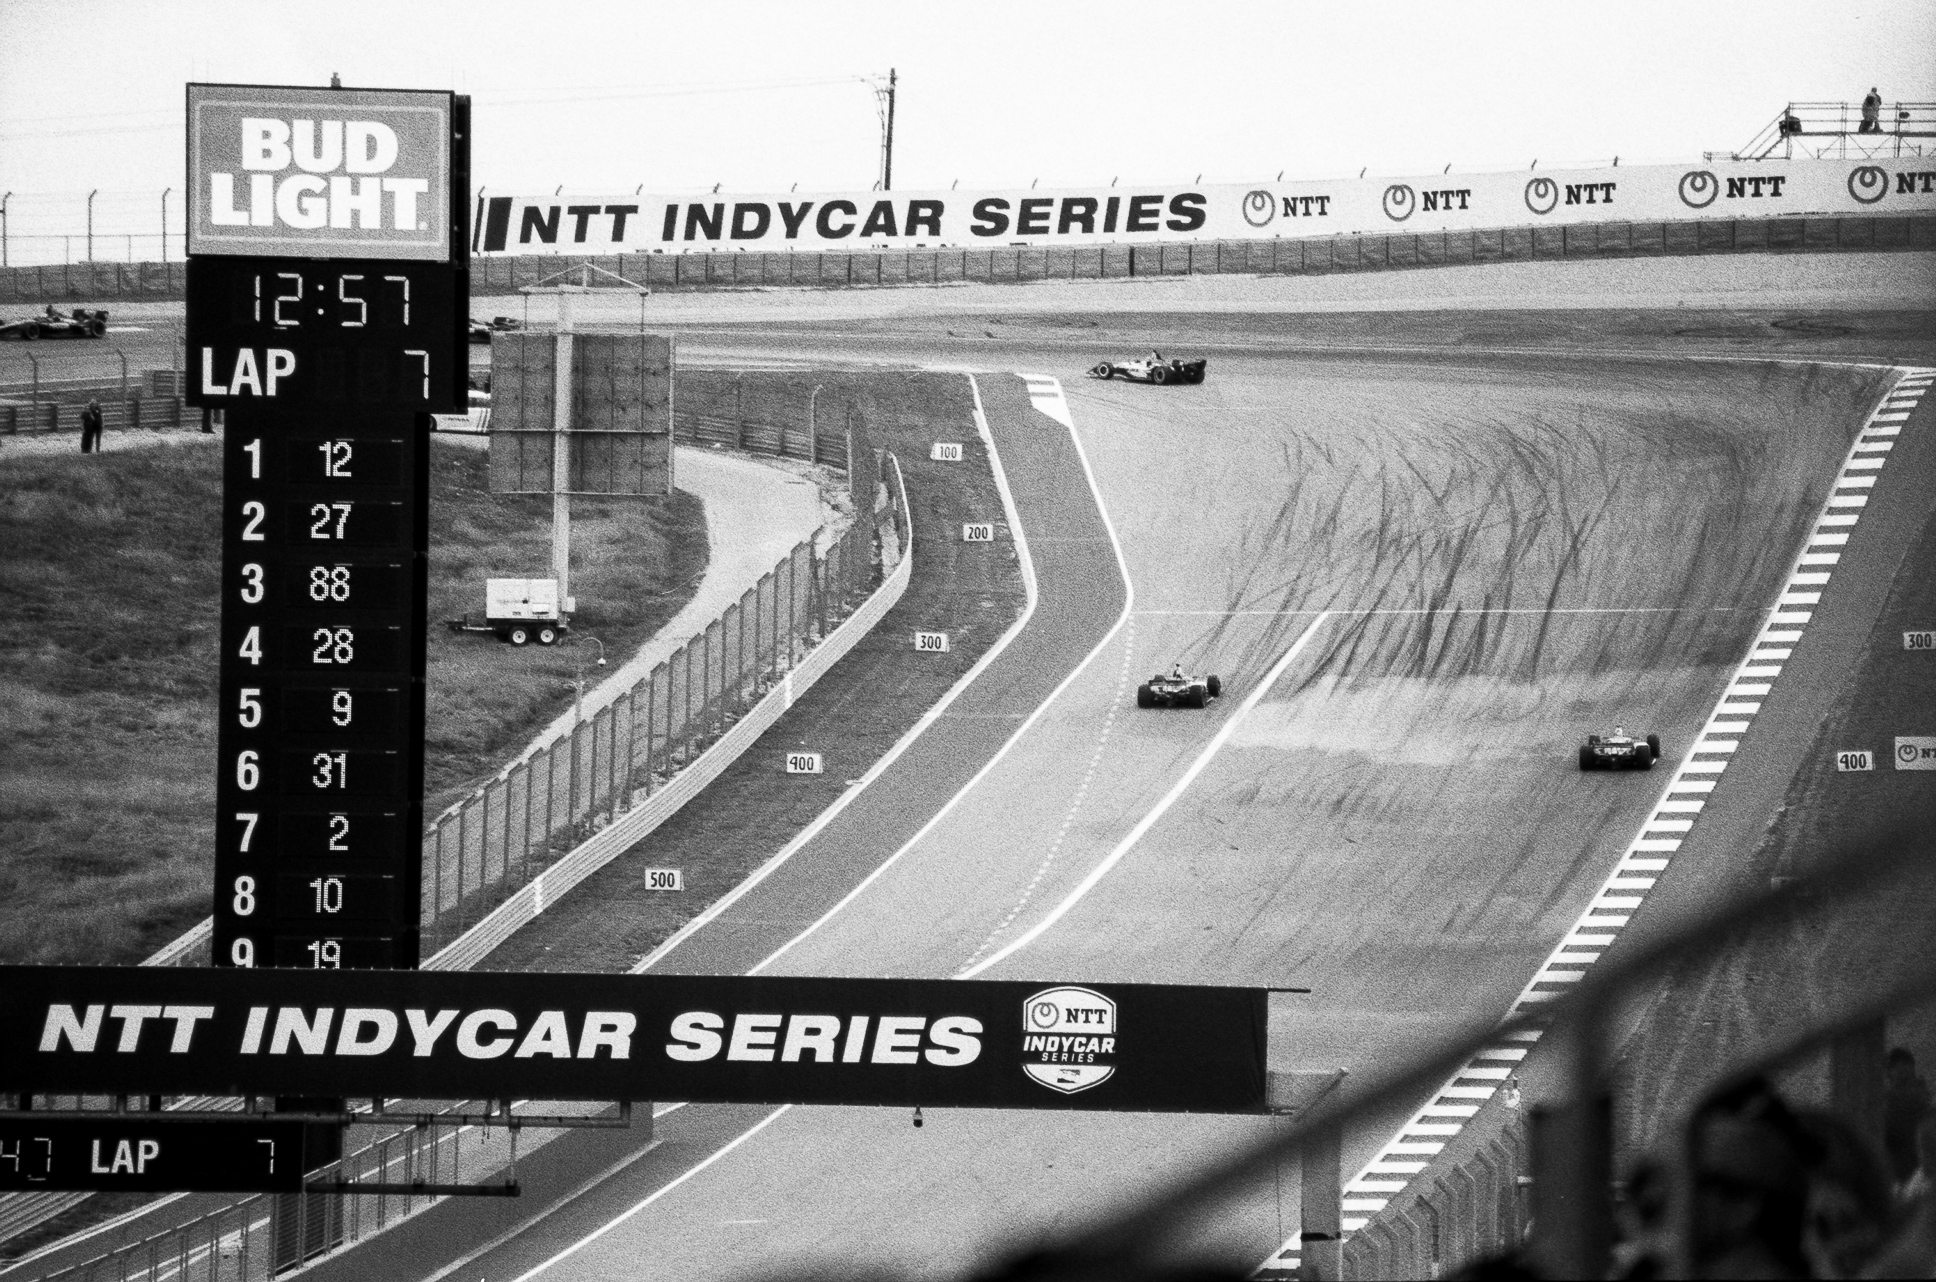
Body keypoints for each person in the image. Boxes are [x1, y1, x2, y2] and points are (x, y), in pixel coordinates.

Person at [1884, 1046, 1932, 1193]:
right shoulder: (1887, 1103)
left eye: (1909, 1075)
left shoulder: (1916, 1098)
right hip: (1905, 1176)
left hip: (1913, 1174)